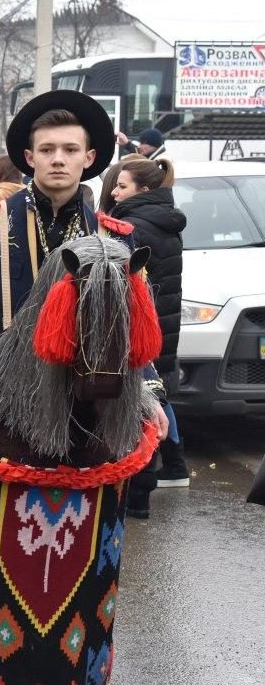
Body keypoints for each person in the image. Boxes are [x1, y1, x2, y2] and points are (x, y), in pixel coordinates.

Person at [0, 90, 169, 685]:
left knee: (80, 552)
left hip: (87, 421)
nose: (57, 160)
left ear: (90, 157)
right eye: (46, 150)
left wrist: (152, 397)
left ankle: (74, 679)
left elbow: (134, 336)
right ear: (27, 156)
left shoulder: (113, 236)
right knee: (0, 555)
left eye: (69, 150)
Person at [105, 156, 189, 515]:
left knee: (138, 403)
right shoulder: (165, 220)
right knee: (157, 396)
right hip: (161, 324)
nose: (114, 191)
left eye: (122, 186)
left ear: (145, 190)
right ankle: (173, 466)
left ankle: (139, 491)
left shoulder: (130, 226)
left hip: (141, 327)